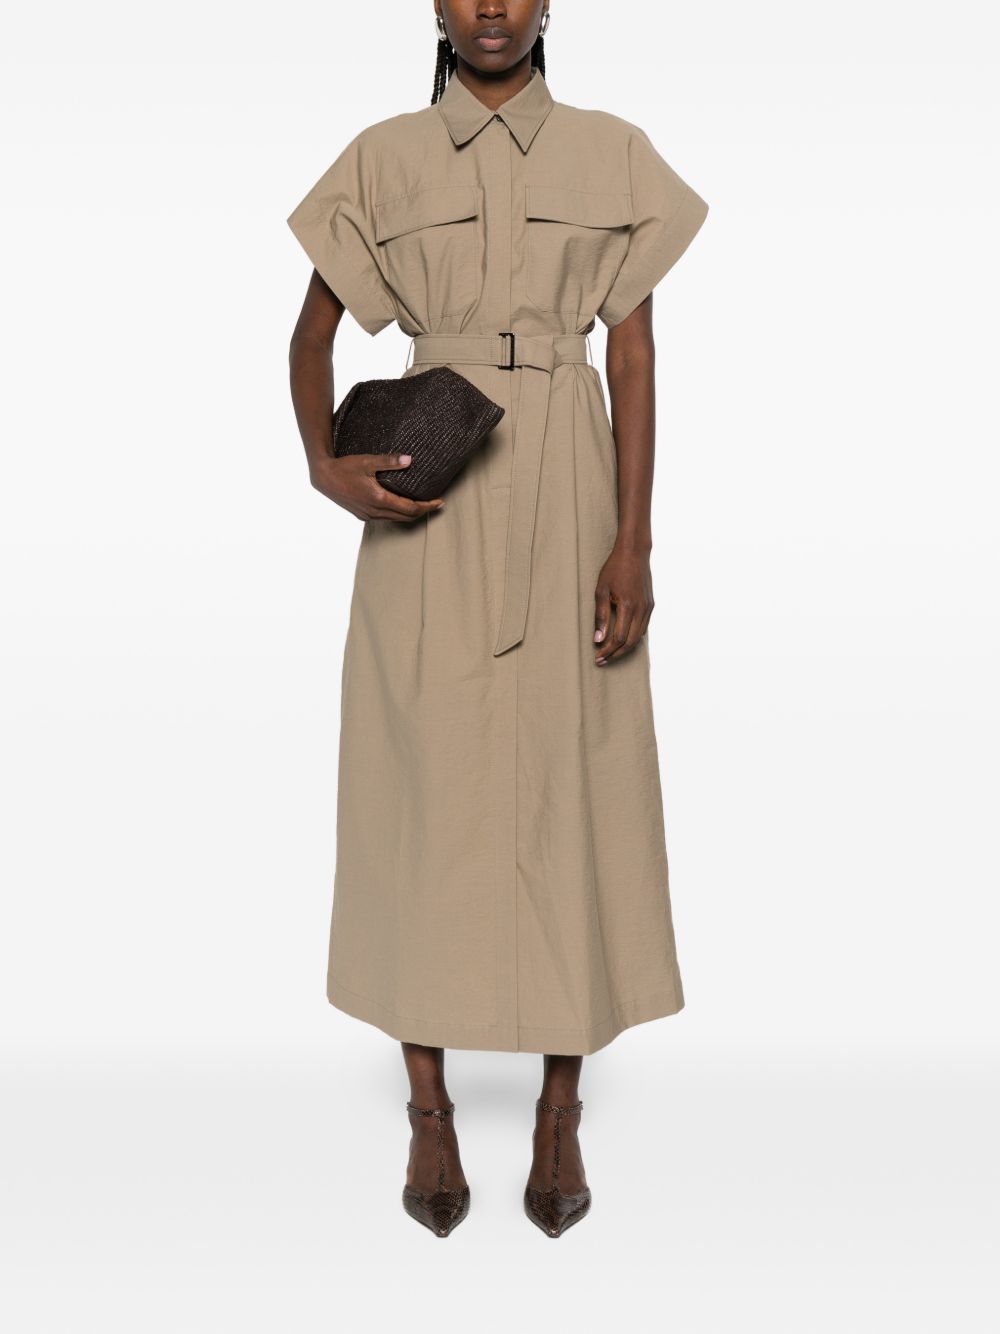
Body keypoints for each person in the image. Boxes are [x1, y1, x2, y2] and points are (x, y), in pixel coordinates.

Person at [286, 1, 709, 1239]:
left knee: (570, 778)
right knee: (417, 780)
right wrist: (322, 464)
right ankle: (428, 1106)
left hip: (570, 484)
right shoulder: (383, 156)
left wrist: (631, 539)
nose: (491, 8)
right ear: (435, 5)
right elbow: (310, 334)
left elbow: (633, 356)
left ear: (545, 5)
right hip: (433, 486)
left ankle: (558, 1108)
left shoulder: (613, 151)